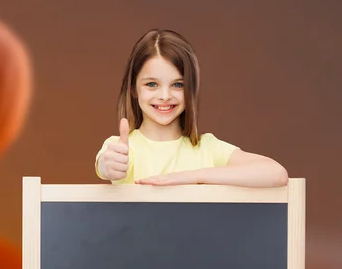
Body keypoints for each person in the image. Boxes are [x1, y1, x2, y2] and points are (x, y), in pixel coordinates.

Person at [95, 29, 289, 187]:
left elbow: (276, 173)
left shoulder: (208, 148)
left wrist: (191, 177)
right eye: (152, 84)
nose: (164, 96)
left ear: (191, 90)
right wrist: (108, 166)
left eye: (178, 85)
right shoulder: (121, 148)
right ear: (133, 89)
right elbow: (107, 165)